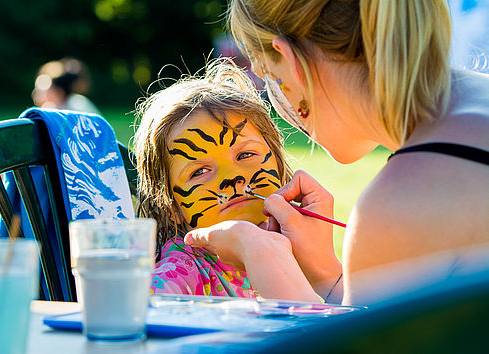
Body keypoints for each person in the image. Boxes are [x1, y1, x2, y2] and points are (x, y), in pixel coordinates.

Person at [184, 0, 489, 305]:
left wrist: (262, 256)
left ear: (288, 60)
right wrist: (326, 274)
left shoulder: (401, 206)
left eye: (266, 77)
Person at [132, 59, 293, 297]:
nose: (233, 179)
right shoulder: (184, 272)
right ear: (170, 206)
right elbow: (137, 306)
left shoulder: (295, 246)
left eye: (245, 154)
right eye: (200, 171)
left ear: (279, 166)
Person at [32, 57, 101, 115]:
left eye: (41, 88)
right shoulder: (78, 101)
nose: (35, 94)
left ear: (58, 91)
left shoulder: (75, 105)